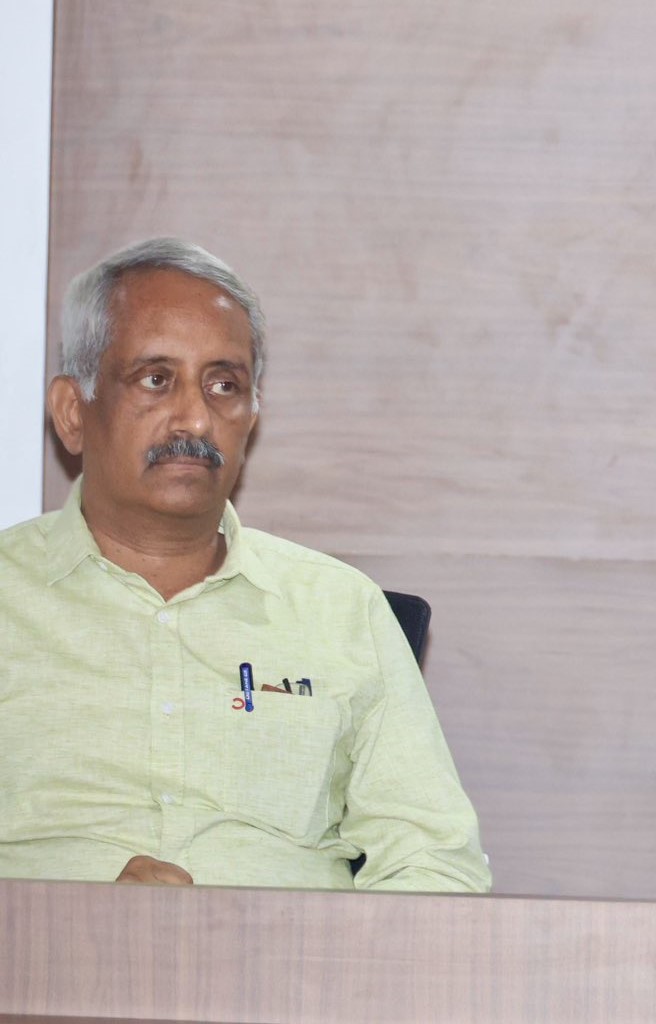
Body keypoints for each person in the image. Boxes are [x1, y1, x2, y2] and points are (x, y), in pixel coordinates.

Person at [0, 237, 490, 892]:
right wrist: (78, 931)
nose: (195, 419)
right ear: (72, 412)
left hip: (292, 983)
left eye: (223, 385)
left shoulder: (340, 609)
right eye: (156, 379)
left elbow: (436, 867)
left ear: (251, 416)